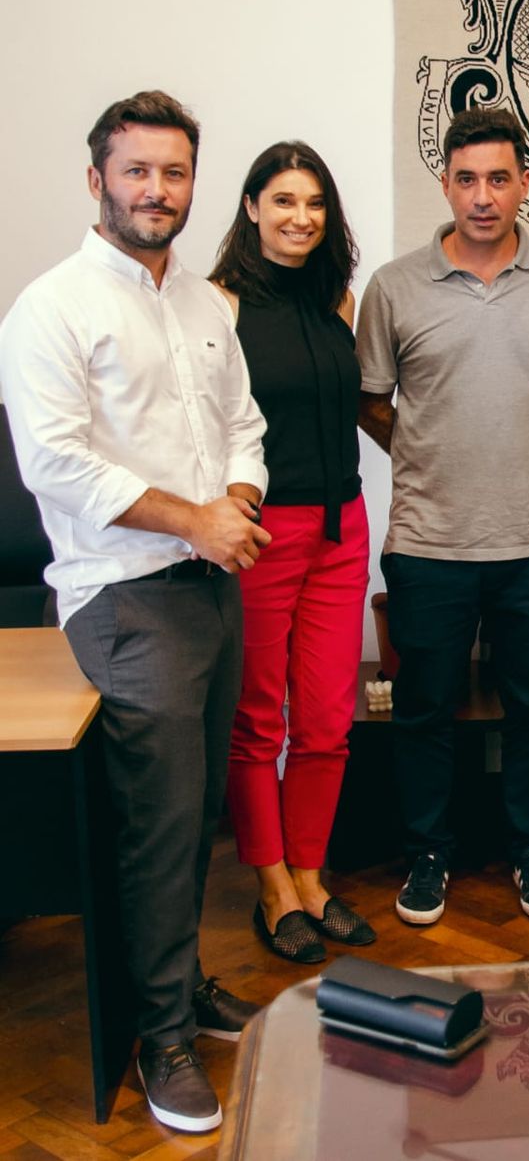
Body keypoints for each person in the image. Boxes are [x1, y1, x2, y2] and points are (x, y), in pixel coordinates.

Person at [0, 91, 270, 1134]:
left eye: (175, 173)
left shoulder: (206, 303)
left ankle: (182, 982)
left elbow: (241, 423)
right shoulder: (51, 308)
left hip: (212, 584)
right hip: (124, 594)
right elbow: (55, 464)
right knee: (158, 826)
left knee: (194, 812)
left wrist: (235, 506)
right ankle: (159, 1038)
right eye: (138, 171)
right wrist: (193, 522)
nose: (158, 190)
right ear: (96, 179)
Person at [356, 106, 529, 926]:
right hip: (429, 540)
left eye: (498, 179)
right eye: (466, 179)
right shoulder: (394, 287)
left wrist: (511, 447)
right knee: (424, 708)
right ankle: (428, 854)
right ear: (445, 185)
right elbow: (372, 400)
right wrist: (429, 452)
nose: (482, 196)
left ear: (525, 185)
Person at [210, 142, 372, 963]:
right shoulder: (218, 306)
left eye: (313, 203)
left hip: (343, 529)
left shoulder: (336, 302)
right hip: (264, 535)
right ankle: (272, 887)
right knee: (255, 717)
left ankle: (311, 876)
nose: (299, 217)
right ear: (251, 209)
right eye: (282, 201)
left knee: (326, 718)